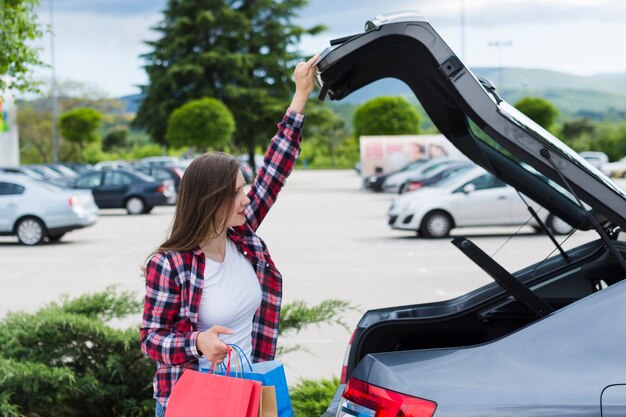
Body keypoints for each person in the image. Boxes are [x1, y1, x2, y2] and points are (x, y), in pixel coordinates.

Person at [140, 55, 319, 417]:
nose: (248, 196)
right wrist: (197, 342)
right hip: (194, 401)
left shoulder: (241, 235)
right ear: (211, 201)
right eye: (237, 191)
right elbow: (150, 339)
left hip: (247, 392)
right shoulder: (170, 263)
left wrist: (300, 94)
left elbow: (274, 171)